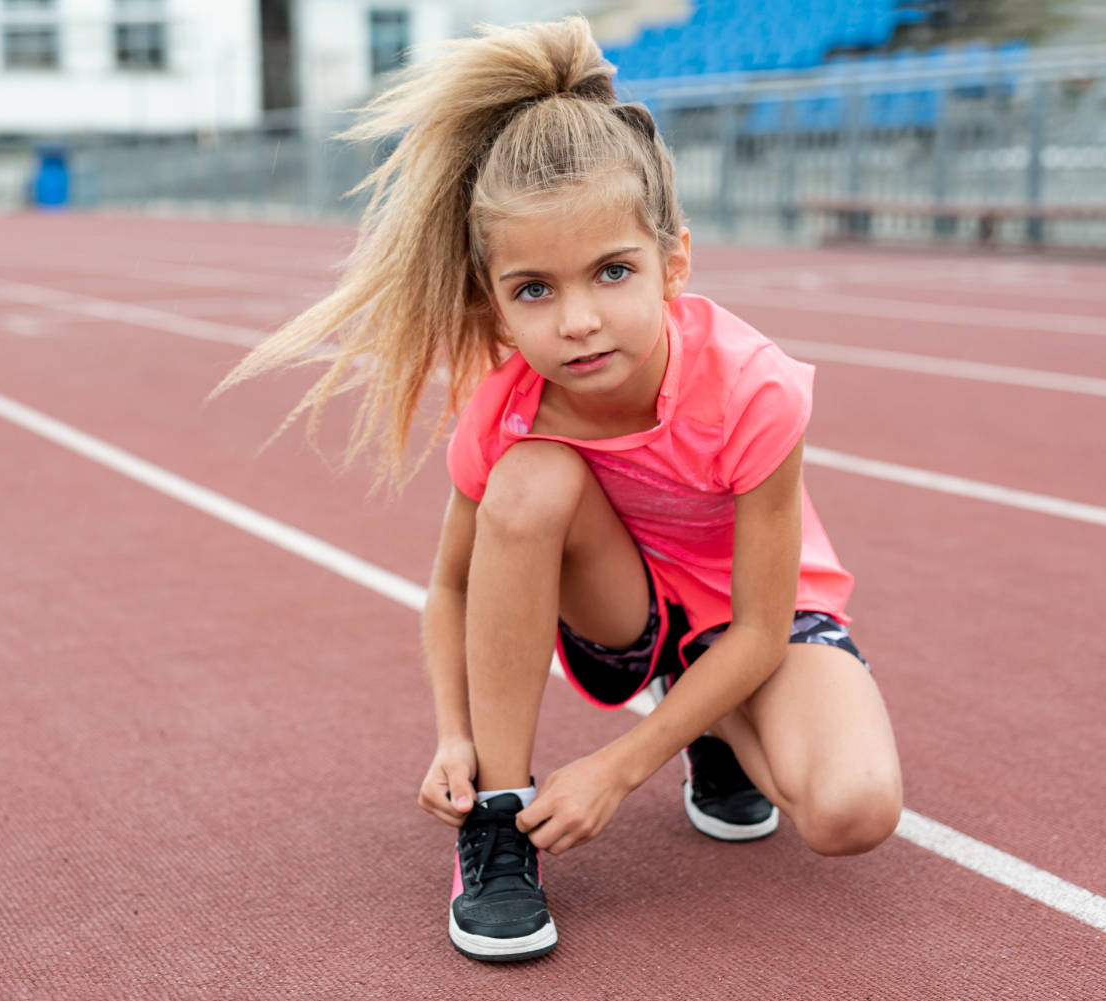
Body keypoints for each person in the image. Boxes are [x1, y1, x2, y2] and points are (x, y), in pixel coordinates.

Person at [217, 17, 903, 963]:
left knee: (850, 808)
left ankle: (710, 734)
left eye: (613, 273)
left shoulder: (756, 388)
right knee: (532, 476)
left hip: (750, 622)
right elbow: (452, 587)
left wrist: (620, 769)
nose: (578, 321)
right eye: (534, 290)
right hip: (618, 609)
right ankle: (496, 827)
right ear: (494, 301)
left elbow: (757, 625)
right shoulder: (508, 410)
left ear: (675, 263)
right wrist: (454, 739)